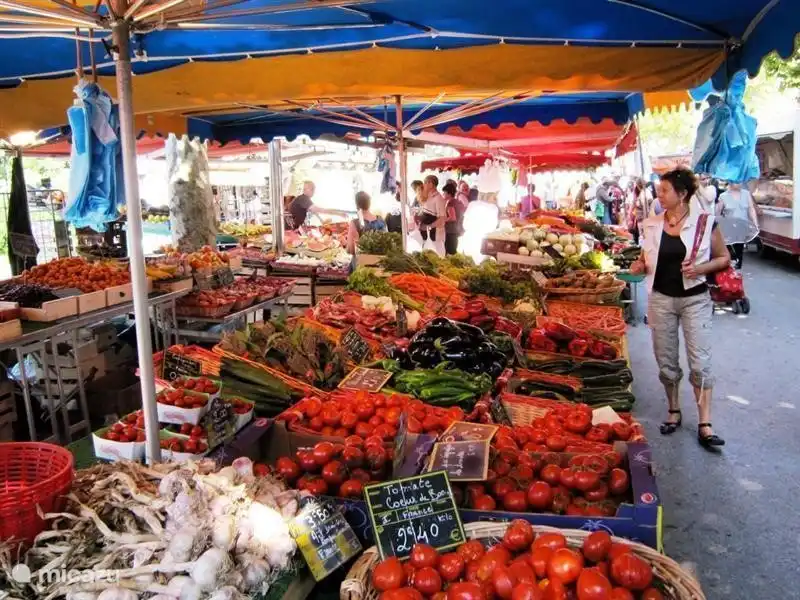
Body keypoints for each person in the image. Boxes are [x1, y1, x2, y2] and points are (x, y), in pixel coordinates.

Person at [630, 168, 729, 450]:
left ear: (682, 194)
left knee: (700, 362)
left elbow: (723, 258)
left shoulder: (705, 223)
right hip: (661, 299)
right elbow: (645, 259)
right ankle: (673, 410)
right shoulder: (651, 224)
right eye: (658, 190)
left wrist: (700, 268)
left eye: (665, 190)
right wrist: (639, 265)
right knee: (666, 360)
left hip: (695, 299)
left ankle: (705, 423)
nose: (658, 194)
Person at [718, 182, 759, 269]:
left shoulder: (746, 194)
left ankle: (737, 265)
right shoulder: (723, 196)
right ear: (730, 181)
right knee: (730, 247)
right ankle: (730, 264)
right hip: (729, 227)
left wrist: (755, 223)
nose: (739, 183)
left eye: (740, 181)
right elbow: (718, 213)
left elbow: (751, 209)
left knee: (739, 247)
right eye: (736, 181)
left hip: (742, 226)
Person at [422, 174, 447, 254]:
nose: (423, 185)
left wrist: (429, 227)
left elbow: (442, 219)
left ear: (431, 184)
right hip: (428, 234)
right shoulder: (428, 196)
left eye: (425, 182)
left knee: (437, 255)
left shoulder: (438, 198)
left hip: (435, 235)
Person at [442, 181, 465, 255]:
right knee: (453, 251)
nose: (443, 194)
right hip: (457, 229)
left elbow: (452, 217)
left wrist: (442, 220)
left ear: (448, 193)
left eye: (444, 193)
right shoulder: (458, 202)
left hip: (451, 230)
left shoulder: (450, 203)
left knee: (449, 252)